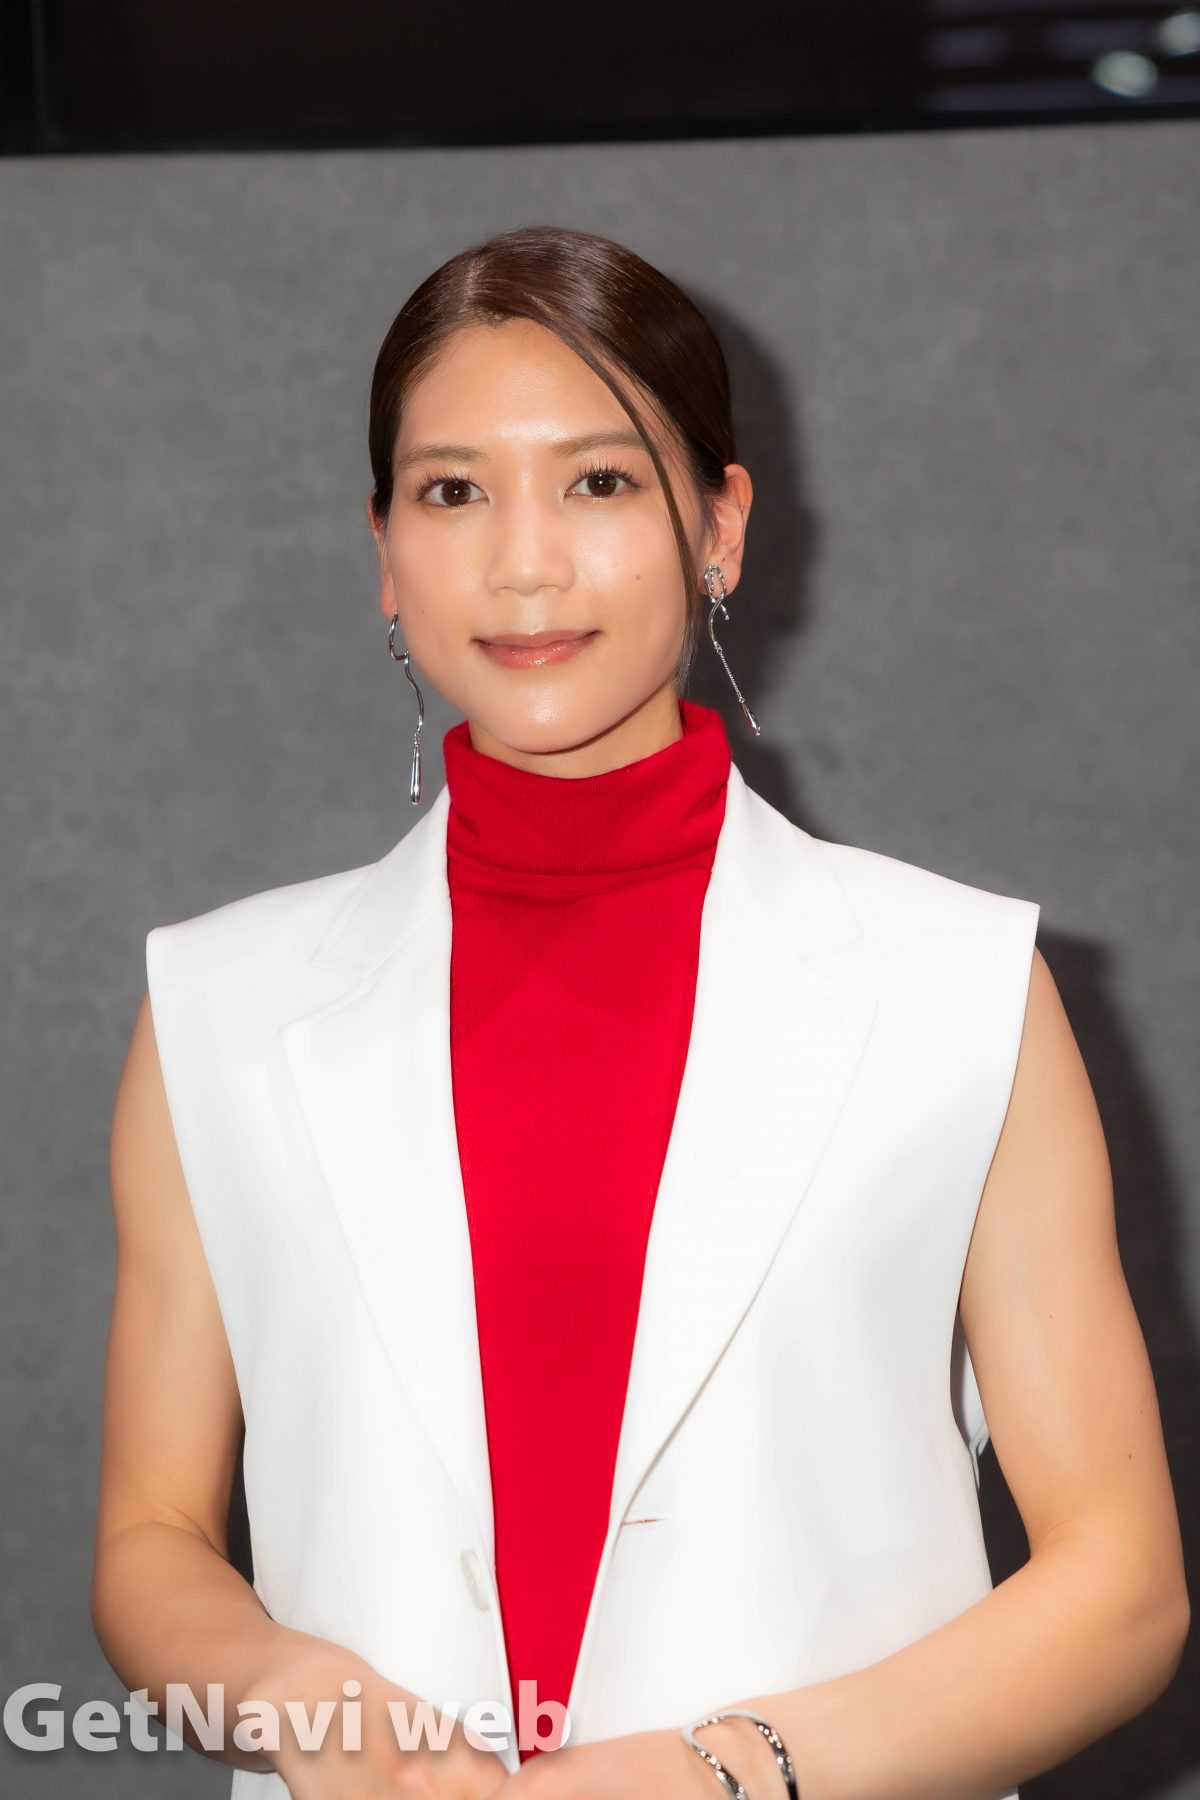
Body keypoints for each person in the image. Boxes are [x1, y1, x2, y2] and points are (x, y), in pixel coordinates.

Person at [92, 225, 1188, 1800]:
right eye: (452, 493)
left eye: (599, 482)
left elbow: (1122, 1590)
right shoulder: (217, 1008)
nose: (524, 562)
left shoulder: (958, 986)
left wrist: (725, 1774)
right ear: (384, 552)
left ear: (719, 526)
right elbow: (150, 1539)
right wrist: (298, 1698)